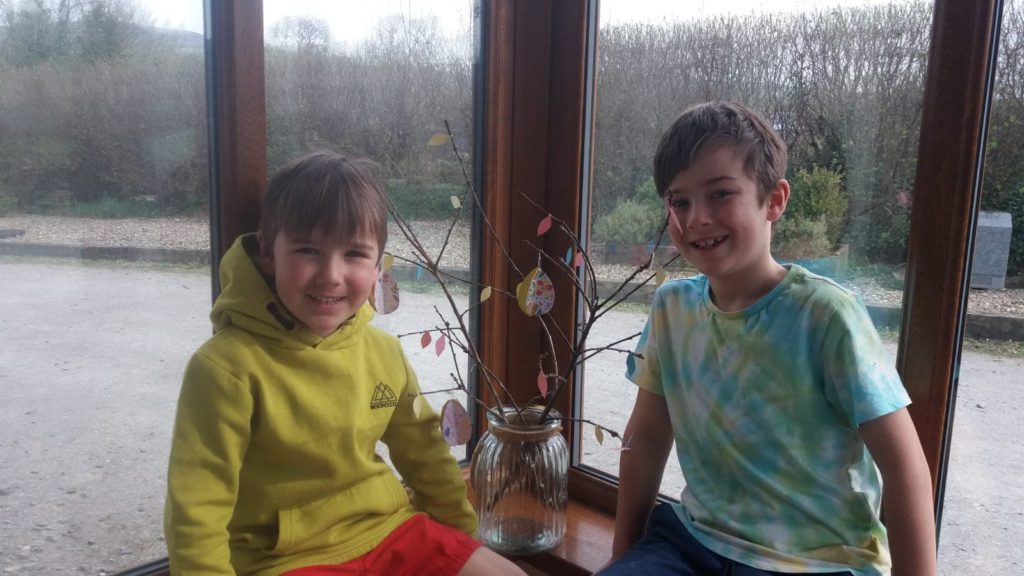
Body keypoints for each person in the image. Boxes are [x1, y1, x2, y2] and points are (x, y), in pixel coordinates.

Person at [600, 102, 936, 576]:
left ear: (774, 200)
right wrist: (623, 554)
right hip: (693, 540)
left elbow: (905, 467)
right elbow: (648, 438)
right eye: (679, 201)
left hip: (815, 562)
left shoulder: (826, 315)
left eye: (720, 194)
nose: (696, 218)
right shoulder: (671, 308)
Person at [164, 151, 524, 576]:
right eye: (307, 250)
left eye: (354, 254)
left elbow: (426, 454)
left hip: (390, 529)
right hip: (284, 558)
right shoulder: (224, 369)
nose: (331, 275)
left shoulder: (383, 353)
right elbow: (196, 510)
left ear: (377, 264)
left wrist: (462, 539)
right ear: (267, 252)